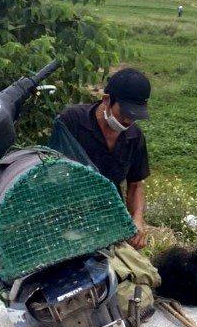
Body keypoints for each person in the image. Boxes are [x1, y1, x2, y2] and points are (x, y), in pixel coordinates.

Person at [58, 68, 151, 249]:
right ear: (107, 100)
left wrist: (137, 220)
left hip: (107, 221)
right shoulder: (73, 121)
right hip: (66, 216)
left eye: (135, 115)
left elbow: (135, 185)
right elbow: (50, 171)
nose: (128, 120)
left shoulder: (135, 138)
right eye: (123, 112)